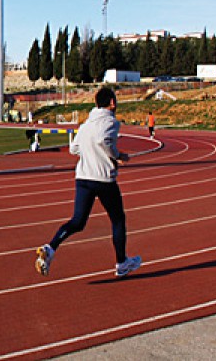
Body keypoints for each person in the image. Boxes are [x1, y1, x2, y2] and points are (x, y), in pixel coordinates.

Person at [35, 87, 142, 278]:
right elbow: (104, 140)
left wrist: (90, 151)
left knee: (78, 221)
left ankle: (50, 248)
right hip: (103, 178)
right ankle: (121, 262)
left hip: (83, 178)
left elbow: (74, 149)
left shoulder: (86, 124)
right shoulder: (111, 121)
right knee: (118, 219)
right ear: (112, 103)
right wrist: (117, 156)